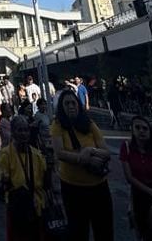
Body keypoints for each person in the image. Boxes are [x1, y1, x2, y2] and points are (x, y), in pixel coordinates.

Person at [51, 88, 113, 241]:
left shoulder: (89, 123)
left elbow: (106, 151)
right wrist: (81, 158)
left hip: (98, 185)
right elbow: (59, 153)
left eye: (73, 103)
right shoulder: (58, 125)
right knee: (78, 230)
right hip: (72, 187)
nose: (71, 106)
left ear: (78, 104)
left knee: (104, 229)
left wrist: (90, 151)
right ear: (61, 107)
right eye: (67, 104)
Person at [0, 115, 47, 241]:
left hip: (36, 205)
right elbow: (4, 180)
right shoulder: (6, 154)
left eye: (26, 130)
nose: (23, 134)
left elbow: (45, 179)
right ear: (13, 132)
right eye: (20, 130)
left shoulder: (37, 154)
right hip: (17, 206)